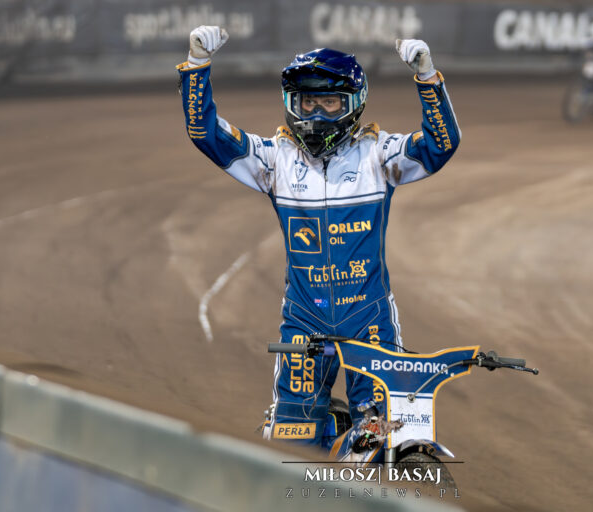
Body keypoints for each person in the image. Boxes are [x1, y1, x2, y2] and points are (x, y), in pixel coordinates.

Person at [176, 26, 460, 450]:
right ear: (293, 102)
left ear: (353, 104)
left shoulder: (378, 153)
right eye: (308, 101)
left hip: (369, 322)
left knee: (383, 437)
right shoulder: (275, 158)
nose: (317, 114)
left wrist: (427, 77)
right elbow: (205, 133)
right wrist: (197, 65)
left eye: (330, 102)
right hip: (304, 325)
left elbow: (442, 143)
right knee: (290, 447)